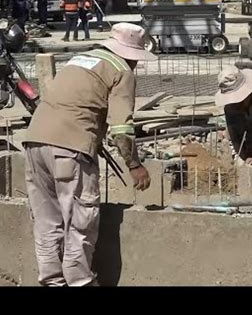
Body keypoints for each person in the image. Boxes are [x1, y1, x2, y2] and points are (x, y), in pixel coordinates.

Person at [23, 23, 157, 286]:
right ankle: (80, 282)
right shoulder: (121, 70)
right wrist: (134, 164)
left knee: (47, 221)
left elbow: (74, 103)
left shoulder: (80, 59)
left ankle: (52, 281)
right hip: (70, 149)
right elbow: (121, 126)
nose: (136, 66)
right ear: (131, 55)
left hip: (34, 141)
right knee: (80, 222)